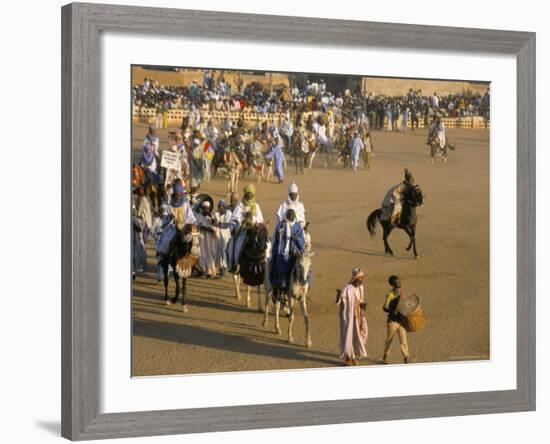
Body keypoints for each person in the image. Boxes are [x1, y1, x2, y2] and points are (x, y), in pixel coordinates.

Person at [227, 184, 264, 273]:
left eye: (251, 194)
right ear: (245, 194)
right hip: (243, 231)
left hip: (254, 230)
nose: (249, 196)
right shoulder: (240, 206)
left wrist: (252, 219)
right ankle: (235, 263)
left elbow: (260, 219)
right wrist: (243, 219)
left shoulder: (256, 206)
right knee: (237, 244)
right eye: (248, 194)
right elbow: (234, 219)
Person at [336, 268, 368, 366]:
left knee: (361, 334)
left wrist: (363, 308)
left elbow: (361, 300)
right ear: (355, 279)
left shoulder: (361, 288)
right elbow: (338, 302)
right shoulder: (347, 289)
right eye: (360, 279)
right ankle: (348, 358)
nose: (361, 281)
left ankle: (355, 355)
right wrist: (338, 294)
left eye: (362, 279)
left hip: (358, 315)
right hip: (348, 317)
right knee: (349, 336)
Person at [270, 209, 306, 291]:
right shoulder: (281, 225)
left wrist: (297, 239)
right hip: (282, 253)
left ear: (294, 217)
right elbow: (275, 239)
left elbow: (302, 243)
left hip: (294, 253)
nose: (290, 218)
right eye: (289, 216)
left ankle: (303, 286)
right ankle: (280, 290)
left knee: (304, 267)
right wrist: (277, 238)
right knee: (278, 267)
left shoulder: (297, 227)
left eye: (291, 216)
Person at [382, 275, 410, 364]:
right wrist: (392, 310)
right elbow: (385, 307)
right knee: (389, 340)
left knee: (403, 339)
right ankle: (385, 356)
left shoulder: (401, 292)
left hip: (400, 321)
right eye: (397, 282)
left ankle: (406, 357)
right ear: (393, 285)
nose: (399, 283)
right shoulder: (390, 295)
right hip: (392, 321)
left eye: (399, 281)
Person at [195, 199, 218, 278]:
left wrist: (212, 219)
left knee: (210, 253)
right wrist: (200, 227)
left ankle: (211, 271)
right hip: (201, 237)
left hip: (210, 238)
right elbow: (195, 226)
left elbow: (215, 227)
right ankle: (203, 270)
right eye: (204, 208)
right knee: (201, 253)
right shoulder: (199, 216)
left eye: (207, 208)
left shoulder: (212, 216)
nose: (206, 210)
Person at [213, 200, 232, 277]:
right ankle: (220, 269)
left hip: (225, 235)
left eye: (221, 207)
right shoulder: (216, 213)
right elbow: (214, 223)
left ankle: (224, 269)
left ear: (224, 207)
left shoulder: (229, 213)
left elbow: (227, 225)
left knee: (224, 251)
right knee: (218, 252)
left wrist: (219, 223)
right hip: (217, 235)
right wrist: (215, 221)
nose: (220, 209)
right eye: (219, 207)